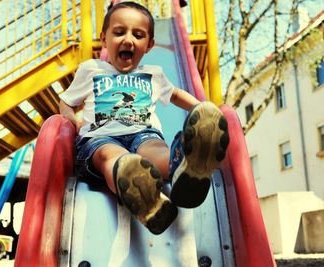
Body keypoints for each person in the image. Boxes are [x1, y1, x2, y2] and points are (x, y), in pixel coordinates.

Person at [59, 1, 229, 235]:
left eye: (138, 35)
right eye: (119, 32)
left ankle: (184, 167)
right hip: (100, 137)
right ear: (103, 38)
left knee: (155, 148)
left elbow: (176, 94)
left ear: (149, 45)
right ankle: (142, 194)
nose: (128, 40)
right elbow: (67, 101)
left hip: (143, 133)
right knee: (111, 156)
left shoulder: (153, 73)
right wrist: (73, 122)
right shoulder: (91, 69)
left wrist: (204, 110)